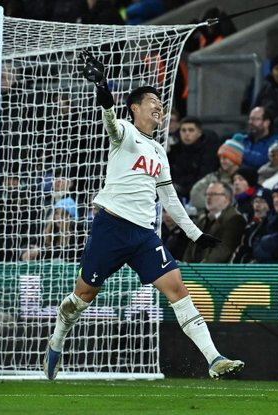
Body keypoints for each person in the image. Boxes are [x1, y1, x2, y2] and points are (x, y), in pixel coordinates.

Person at [43, 51, 244, 380]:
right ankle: (57, 339)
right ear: (134, 108)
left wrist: (195, 234)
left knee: (177, 289)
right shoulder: (124, 132)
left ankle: (214, 358)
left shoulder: (159, 151)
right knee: (82, 297)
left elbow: (169, 198)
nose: (158, 106)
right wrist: (103, 87)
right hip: (111, 228)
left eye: (160, 103)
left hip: (143, 235)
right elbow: (109, 120)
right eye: (152, 101)